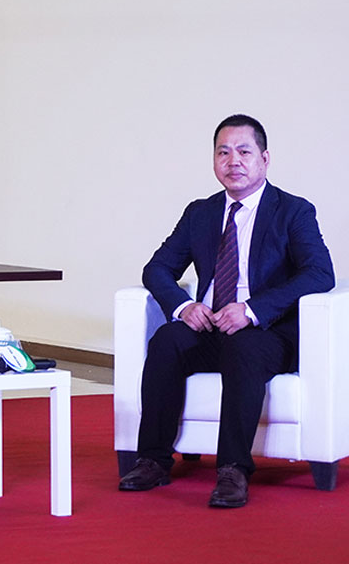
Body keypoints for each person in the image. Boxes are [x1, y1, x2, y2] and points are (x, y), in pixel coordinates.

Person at [119, 114, 335, 508]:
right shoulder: (200, 213)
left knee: (243, 347)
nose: (233, 161)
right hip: (211, 325)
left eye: (244, 152)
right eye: (223, 152)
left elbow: (320, 273)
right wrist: (184, 306)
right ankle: (152, 460)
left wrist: (252, 310)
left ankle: (233, 469)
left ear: (264, 159)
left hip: (268, 332)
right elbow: (157, 269)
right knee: (167, 340)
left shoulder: (293, 211)